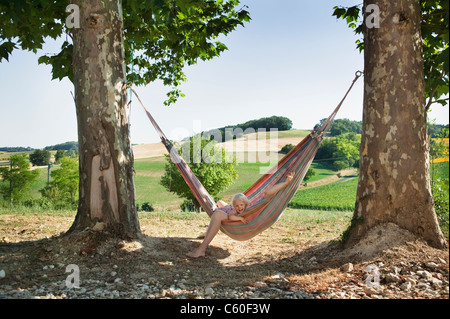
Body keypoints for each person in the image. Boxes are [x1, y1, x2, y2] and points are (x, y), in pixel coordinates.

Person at [186, 171, 295, 258]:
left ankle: (201, 249)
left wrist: (286, 183)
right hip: (230, 209)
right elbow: (264, 193)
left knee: (217, 214)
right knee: (219, 204)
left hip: (228, 213)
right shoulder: (249, 203)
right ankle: (209, 230)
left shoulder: (254, 205)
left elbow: (267, 193)